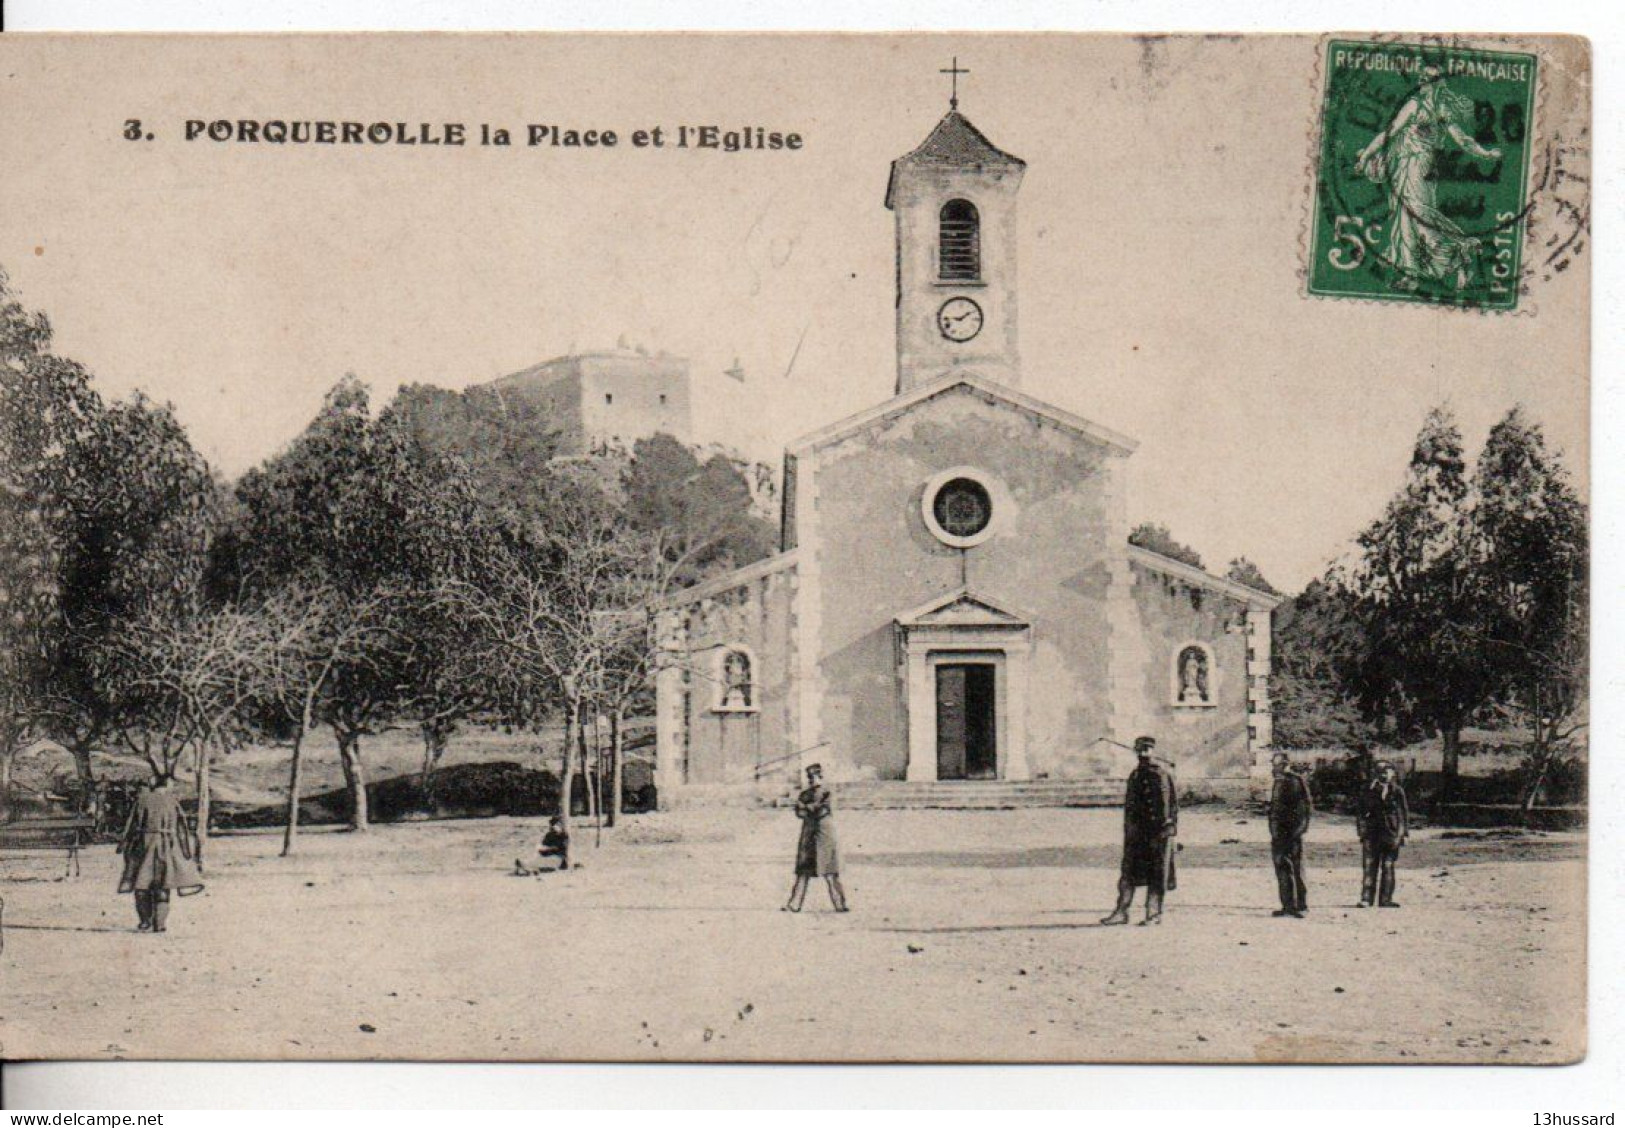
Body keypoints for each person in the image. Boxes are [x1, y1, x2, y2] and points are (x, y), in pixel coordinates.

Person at [1353, 68, 1503, 291]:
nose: (1421, 81)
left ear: (1437, 83)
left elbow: (1463, 140)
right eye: (1421, 78)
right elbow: (1390, 133)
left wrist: (1485, 154)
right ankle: (1415, 272)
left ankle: (1457, 253)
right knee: (1408, 220)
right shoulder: (1415, 104)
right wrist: (1366, 156)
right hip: (1408, 166)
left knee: (1419, 217)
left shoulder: (1437, 109)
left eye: (1427, 78)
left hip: (1420, 167)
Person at [1101, 736, 1177, 926]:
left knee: (1157, 874)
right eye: (1140, 750)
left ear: (1153, 751)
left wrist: (1168, 829)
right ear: (1135, 752)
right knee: (1128, 873)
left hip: (1158, 833)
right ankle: (1121, 912)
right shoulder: (1135, 774)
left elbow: (1170, 805)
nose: (1144, 754)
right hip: (1137, 834)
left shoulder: (1161, 774)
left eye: (1147, 750)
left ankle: (1153, 914)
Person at [117, 776, 204, 933]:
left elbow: (131, 825)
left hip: (145, 845)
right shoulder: (172, 802)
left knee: (142, 884)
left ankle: (145, 920)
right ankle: (160, 923)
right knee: (164, 883)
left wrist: (124, 844)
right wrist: (185, 852)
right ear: (167, 785)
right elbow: (182, 829)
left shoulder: (142, 800)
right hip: (167, 846)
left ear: (152, 784)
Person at [783, 763, 848, 912]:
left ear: (821, 776)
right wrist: (808, 807)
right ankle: (794, 904)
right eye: (810, 778)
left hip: (825, 834)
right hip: (808, 834)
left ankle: (840, 904)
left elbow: (822, 810)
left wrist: (806, 807)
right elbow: (799, 813)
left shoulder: (828, 793)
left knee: (830, 870)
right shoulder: (805, 794)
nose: (813, 780)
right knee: (803, 872)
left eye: (815, 777)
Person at [1357, 760, 1409, 908]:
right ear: (1375, 774)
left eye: (1387, 771)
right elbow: (1360, 812)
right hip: (1371, 834)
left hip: (1391, 834)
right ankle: (1366, 898)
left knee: (1388, 866)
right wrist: (1362, 831)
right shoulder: (1367, 790)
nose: (1384, 775)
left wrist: (1404, 834)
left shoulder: (1397, 791)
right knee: (1369, 867)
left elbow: (1403, 814)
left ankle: (1386, 899)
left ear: (1392, 773)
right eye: (1380, 772)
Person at [1268, 751, 1313, 917]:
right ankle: (1287, 905)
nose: (1274, 768)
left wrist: (1298, 830)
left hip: (1292, 832)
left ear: (1285, 764)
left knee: (1296, 868)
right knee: (1282, 868)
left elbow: (1304, 808)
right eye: (1273, 764)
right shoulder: (1278, 782)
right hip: (1278, 833)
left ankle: (1301, 906)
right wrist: (1273, 830)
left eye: (1277, 765)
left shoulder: (1295, 781)